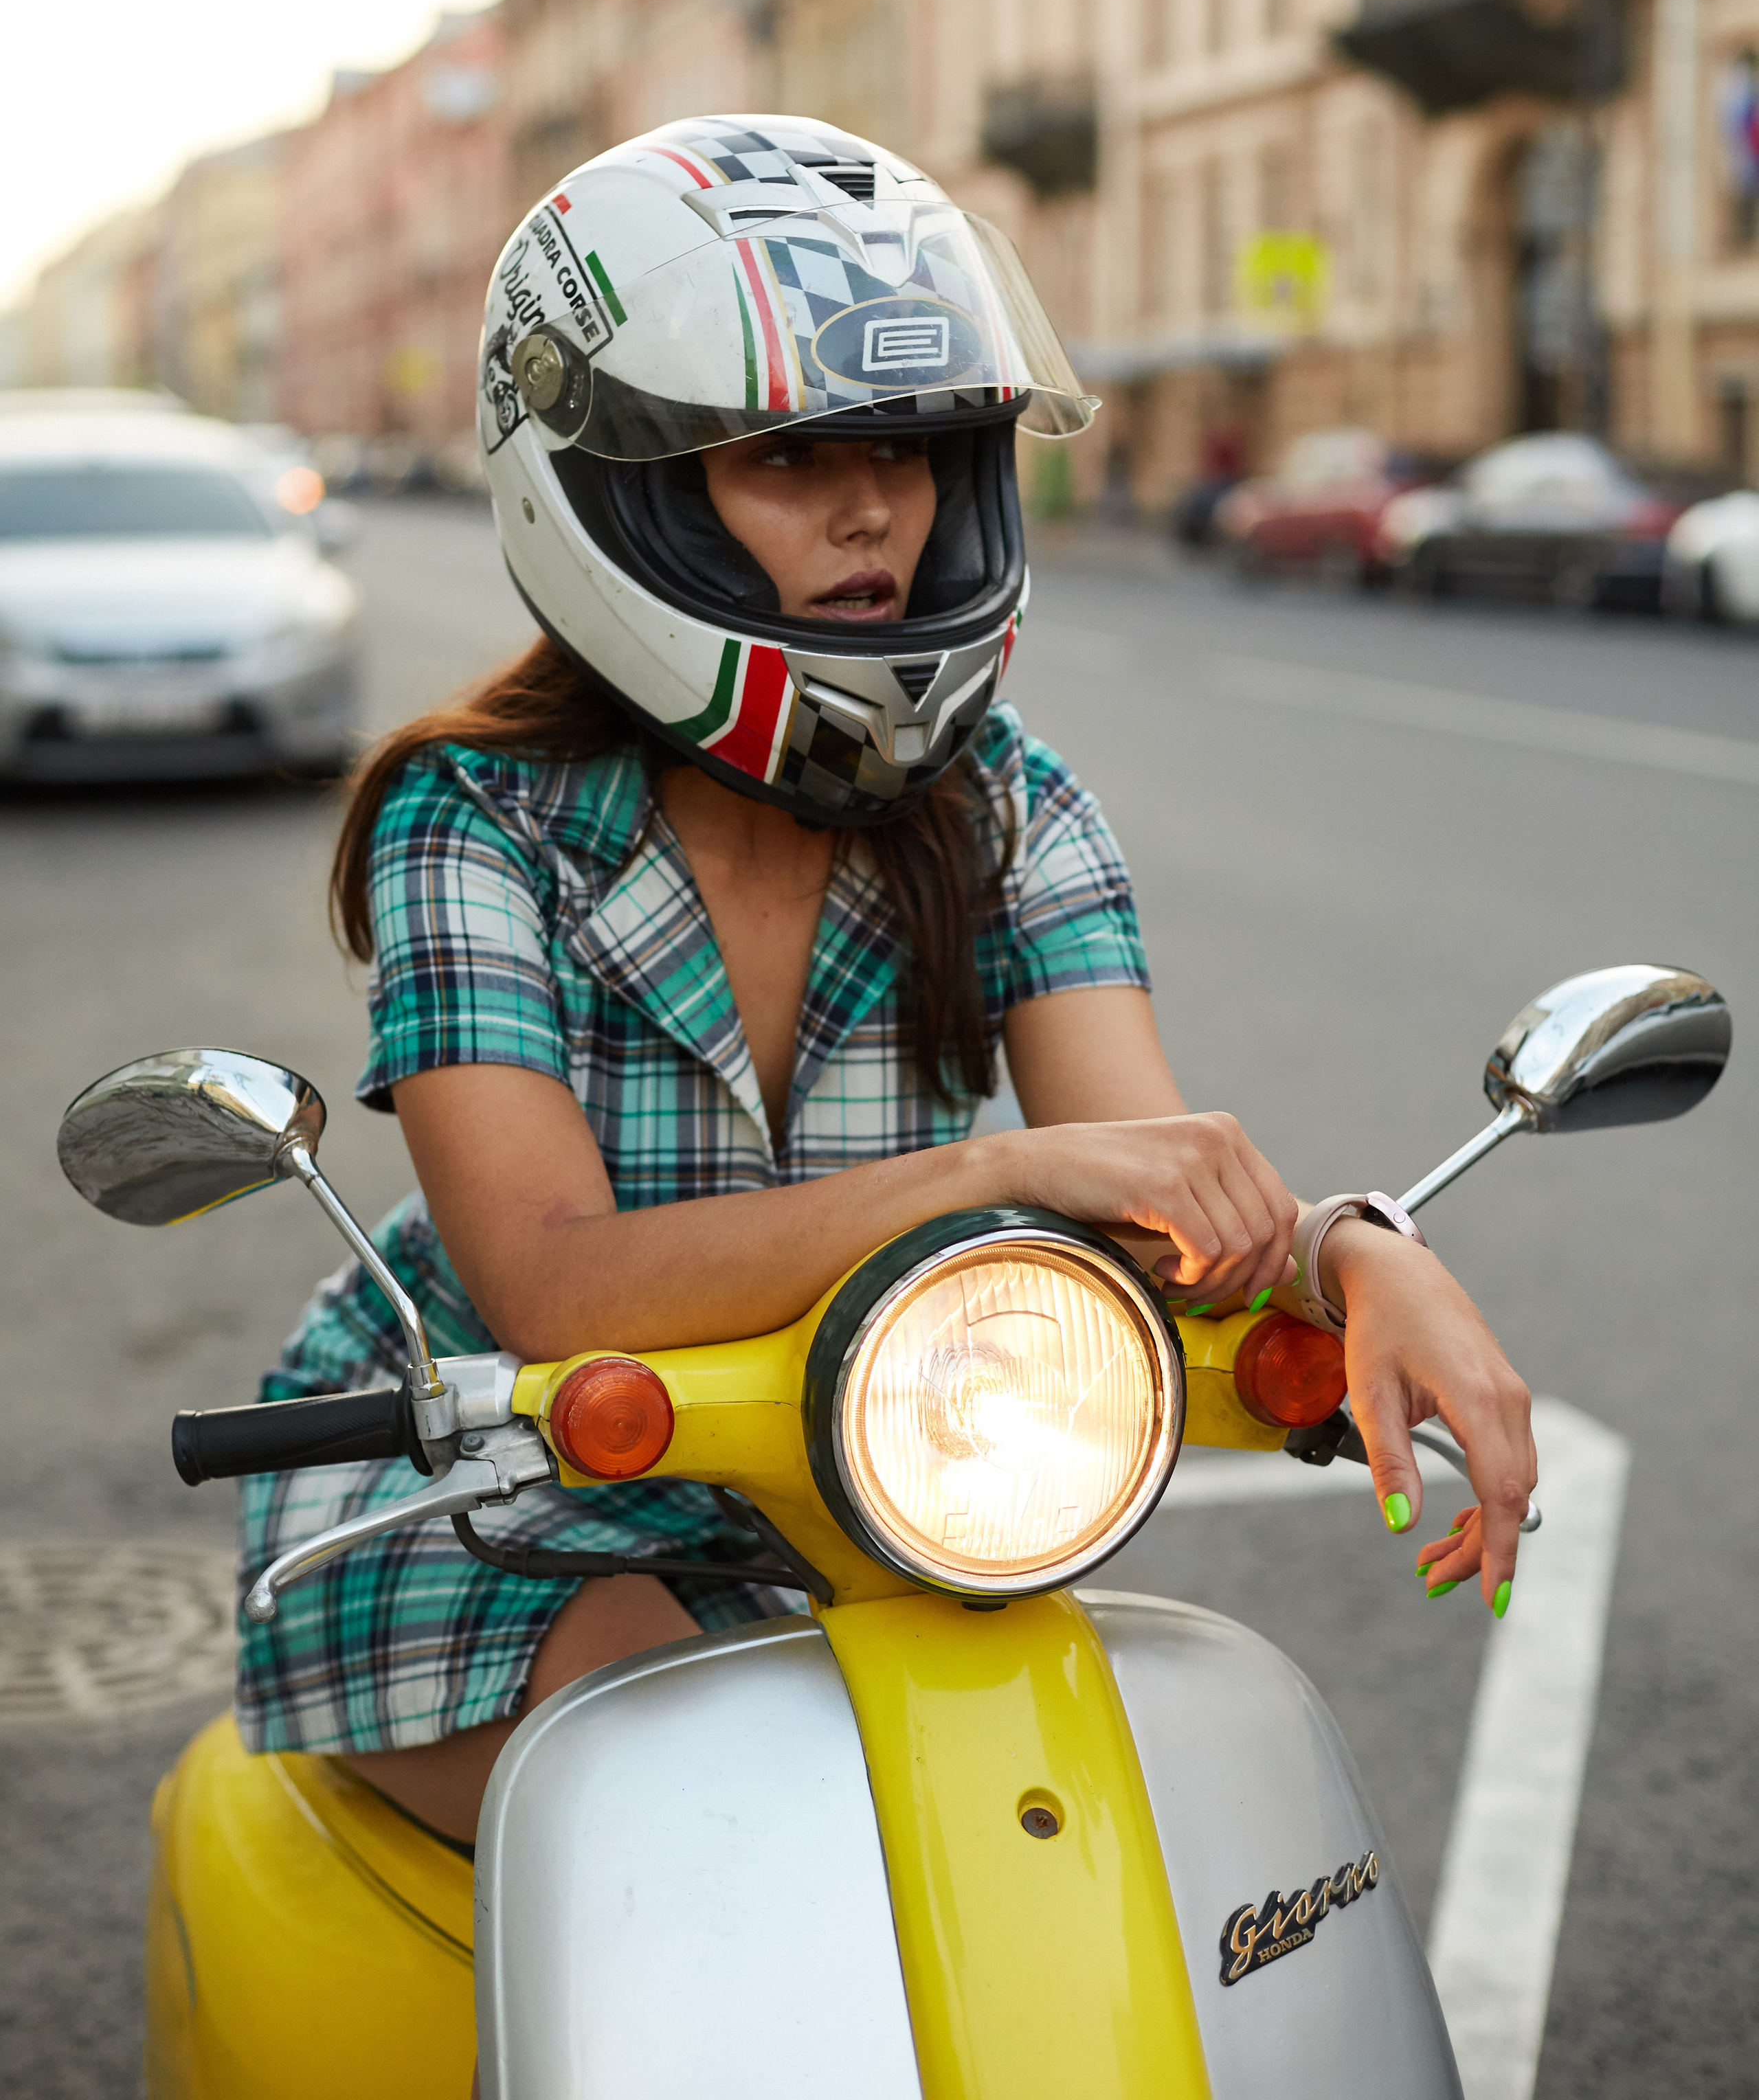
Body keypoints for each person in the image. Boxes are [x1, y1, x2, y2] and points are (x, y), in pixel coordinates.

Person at [236, 114, 1534, 1851]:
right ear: (622, 489)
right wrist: (993, 1175)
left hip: (866, 1489)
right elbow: (551, 1289)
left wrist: (1358, 1252)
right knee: (707, 1828)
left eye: (915, 452)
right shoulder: (469, 814)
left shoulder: (1009, 802)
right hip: (494, 1496)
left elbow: (1143, 1173)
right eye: (789, 459)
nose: (874, 510)